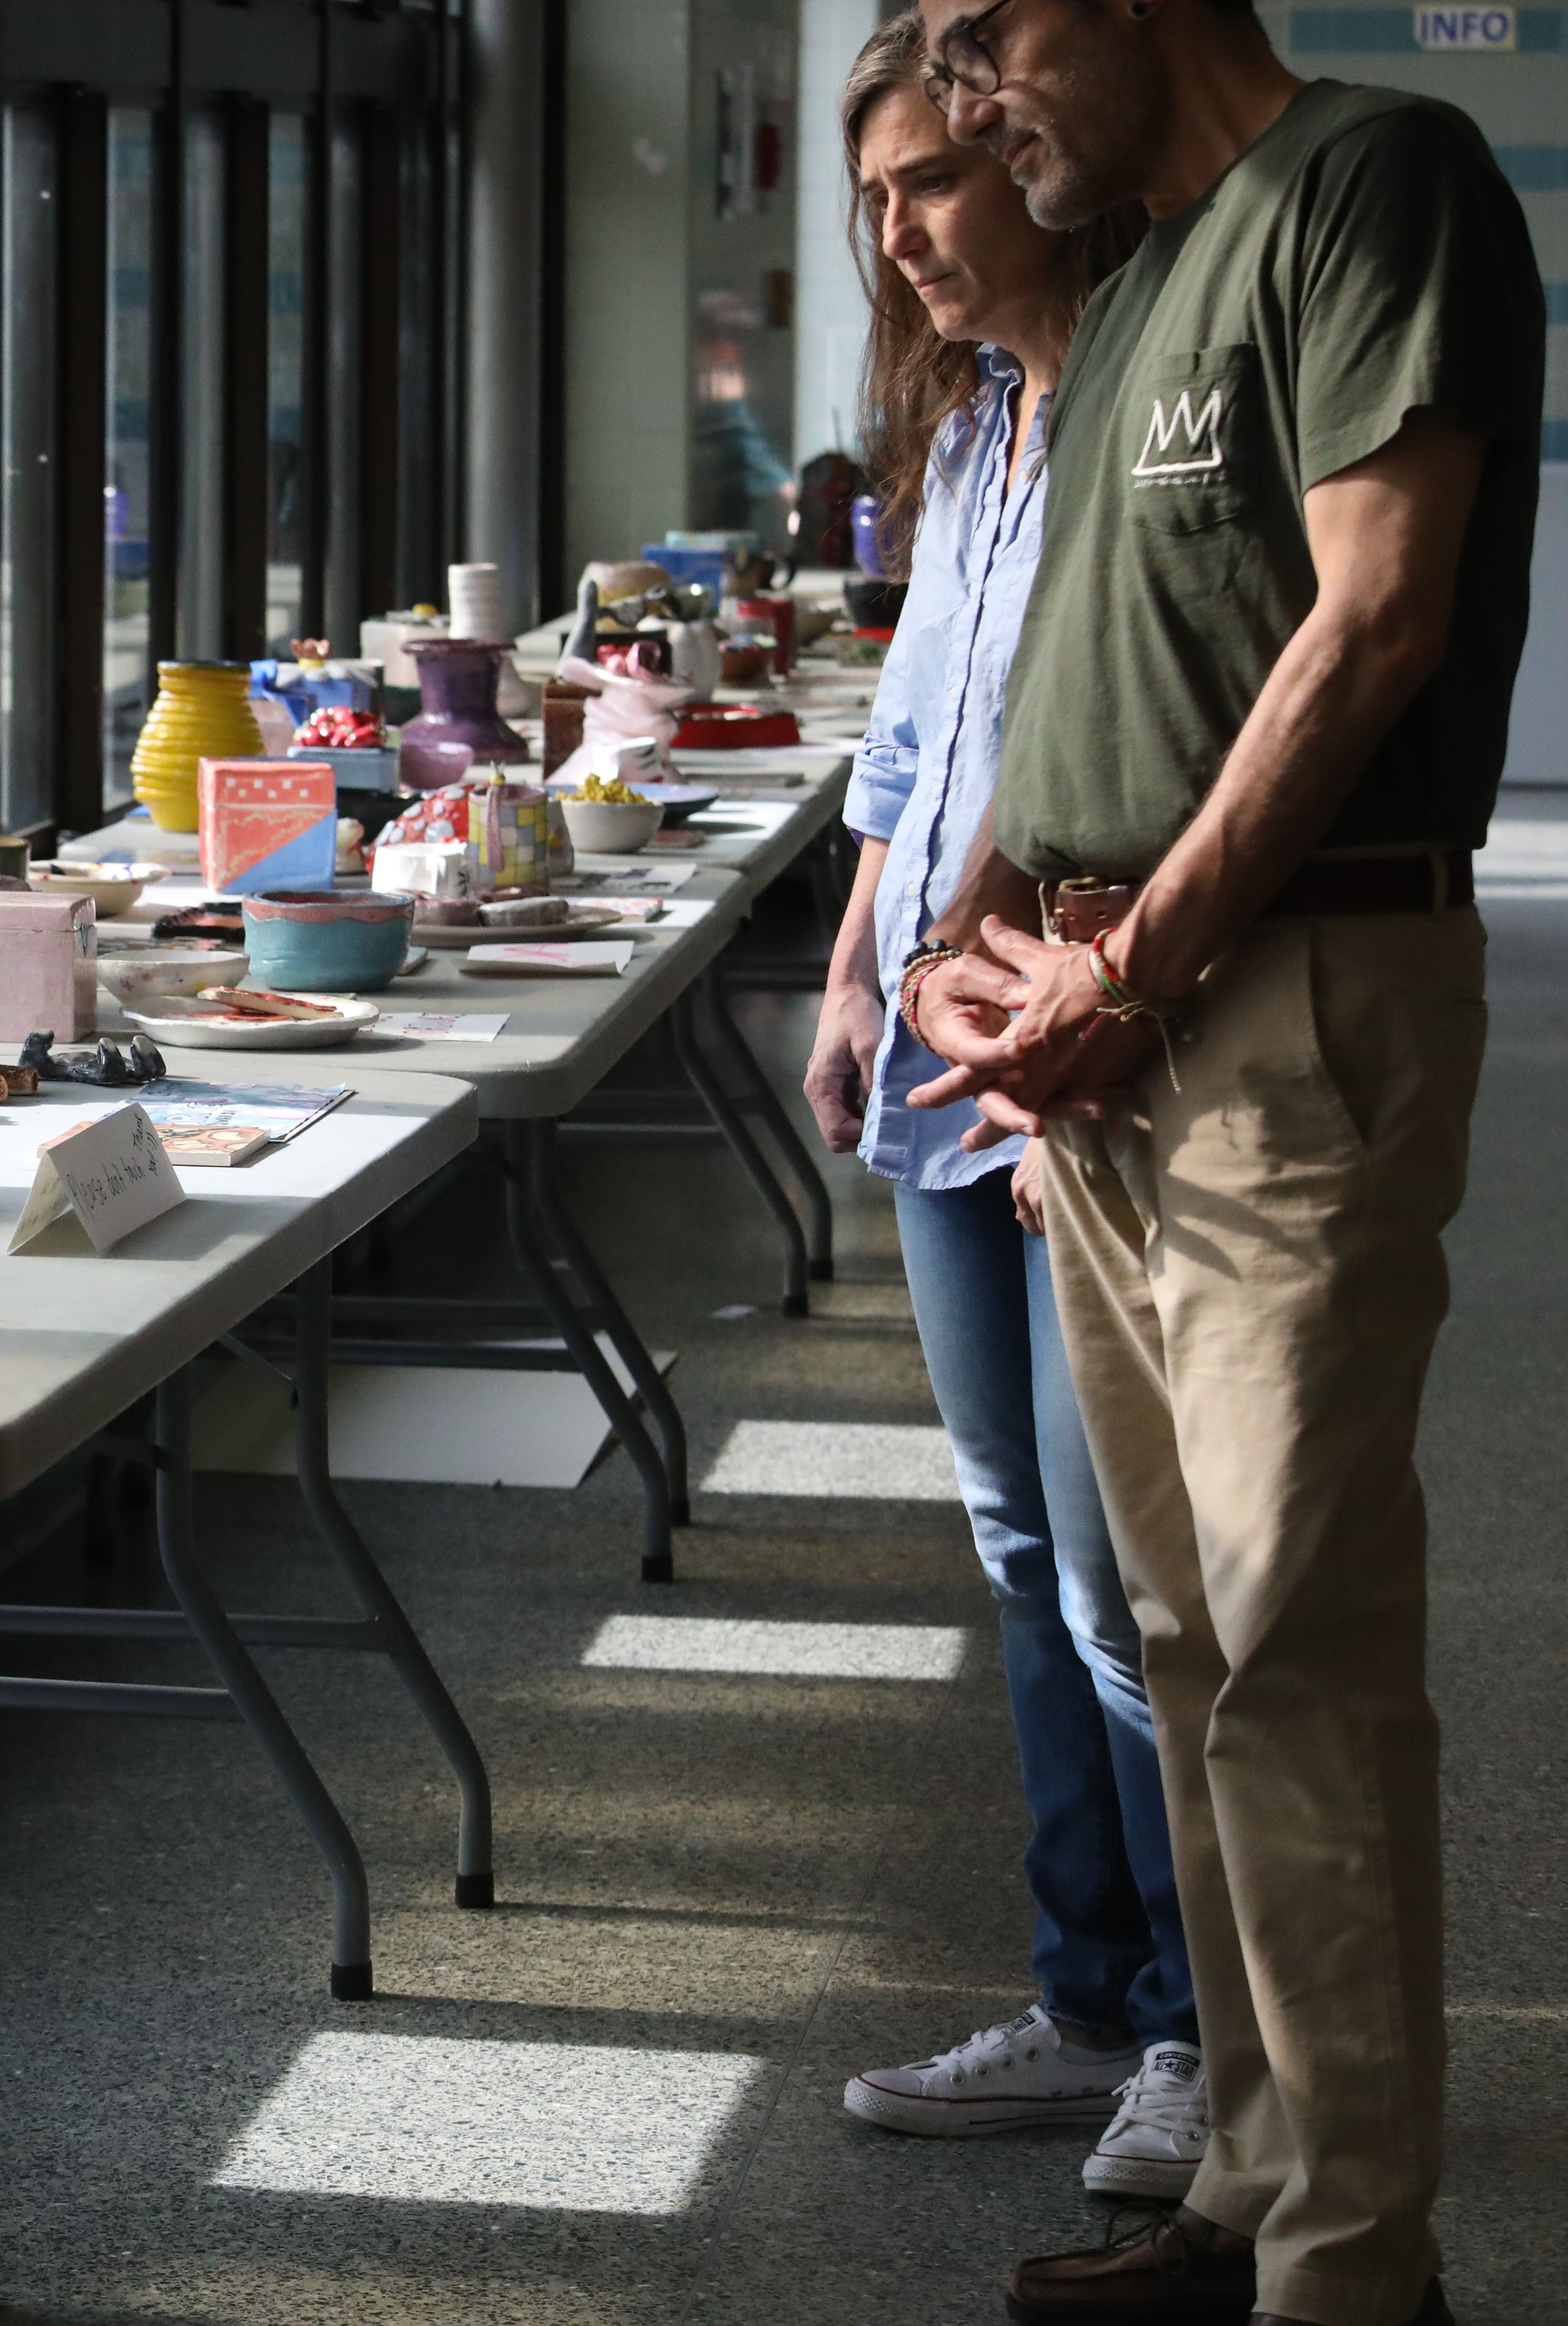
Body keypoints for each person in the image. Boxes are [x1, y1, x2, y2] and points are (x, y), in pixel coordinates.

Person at [897, 3, 1542, 2321]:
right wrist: (966, 929)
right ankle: (1253, 2198)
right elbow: (1078, 675)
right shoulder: (1146, 268)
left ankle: (1356, 2272)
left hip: (1284, 1006)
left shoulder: (1375, 182)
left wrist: (1138, 958)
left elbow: (1375, 617)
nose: (971, 96)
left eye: (991, 38)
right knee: (1179, 1642)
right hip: (1105, 1030)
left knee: (1298, 1642)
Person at [803, 16, 1197, 2206]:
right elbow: (914, 739)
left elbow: (1138, 760)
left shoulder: (1139, 419)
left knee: (1124, 1576)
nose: (903, 234)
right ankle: (1088, 1999)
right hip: (932, 1054)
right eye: (874, 199)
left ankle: (1201, 2039)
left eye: (932, 182)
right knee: (1022, 1549)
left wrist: (1049, 1060)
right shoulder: (973, 429)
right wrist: (852, 969)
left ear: (1030, 163)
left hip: (1066, 1060)